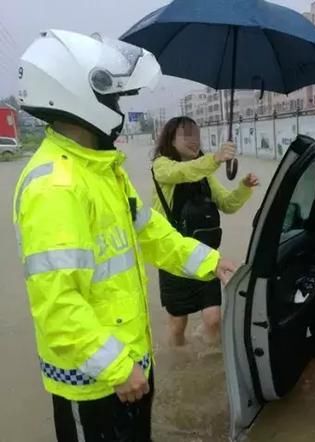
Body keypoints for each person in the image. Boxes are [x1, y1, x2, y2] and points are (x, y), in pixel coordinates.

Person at [13, 30, 236, 441]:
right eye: (113, 99)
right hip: (94, 380)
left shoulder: (103, 170)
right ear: (79, 97)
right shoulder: (55, 187)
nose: (117, 109)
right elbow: (58, 305)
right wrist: (118, 368)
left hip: (128, 364)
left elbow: (151, 233)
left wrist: (210, 261)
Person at [151, 116, 259, 347]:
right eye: (187, 134)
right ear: (170, 139)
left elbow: (228, 204)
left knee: (213, 319)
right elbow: (182, 172)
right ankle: (179, 362)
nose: (194, 140)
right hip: (174, 259)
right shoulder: (161, 167)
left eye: (197, 135)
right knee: (178, 326)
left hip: (206, 257)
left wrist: (243, 188)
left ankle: (210, 360)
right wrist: (216, 158)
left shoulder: (206, 173)